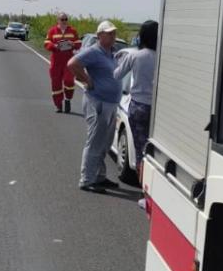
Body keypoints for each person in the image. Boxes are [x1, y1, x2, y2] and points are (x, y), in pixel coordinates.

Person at [68, 20, 123, 193]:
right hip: (97, 102)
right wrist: (88, 80)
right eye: (109, 33)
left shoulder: (111, 53)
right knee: (94, 142)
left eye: (114, 33)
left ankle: (99, 176)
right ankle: (87, 179)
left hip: (110, 103)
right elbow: (72, 64)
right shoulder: (93, 51)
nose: (113, 36)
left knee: (104, 143)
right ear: (100, 36)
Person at [113, 20, 160, 168]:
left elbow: (117, 75)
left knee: (141, 151)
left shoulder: (135, 56)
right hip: (157, 109)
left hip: (139, 106)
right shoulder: (161, 57)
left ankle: (143, 180)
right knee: (154, 150)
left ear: (142, 36)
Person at [44, 14, 82, 114]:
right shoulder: (52, 31)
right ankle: (58, 105)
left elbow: (78, 43)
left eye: (66, 19)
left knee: (69, 81)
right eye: (62, 19)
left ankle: (68, 99)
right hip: (56, 62)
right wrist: (54, 46)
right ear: (58, 20)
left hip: (69, 61)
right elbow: (46, 43)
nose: (64, 21)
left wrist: (73, 44)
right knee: (56, 84)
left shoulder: (73, 31)